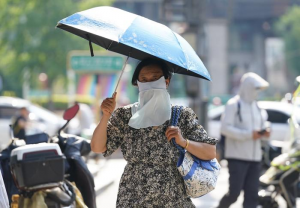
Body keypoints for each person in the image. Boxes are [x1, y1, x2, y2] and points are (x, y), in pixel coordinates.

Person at [91, 58, 217, 207]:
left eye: (155, 77)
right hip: (133, 198)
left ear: (166, 81)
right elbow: (98, 148)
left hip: (173, 199)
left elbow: (210, 152)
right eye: (144, 79)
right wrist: (106, 116)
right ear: (137, 83)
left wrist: (184, 142)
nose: (149, 82)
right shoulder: (124, 115)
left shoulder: (182, 115)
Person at [216, 72, 270, 208]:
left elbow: (264, 125)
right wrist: (248, 134)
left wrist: (265, 132)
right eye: (255, 88)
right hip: (237, 158)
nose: (257, 92)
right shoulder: (233, 105)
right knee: (234, 194)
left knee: (252, 196)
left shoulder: (257, 107)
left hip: (255, 158)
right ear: (247, 87)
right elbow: (224, 129)